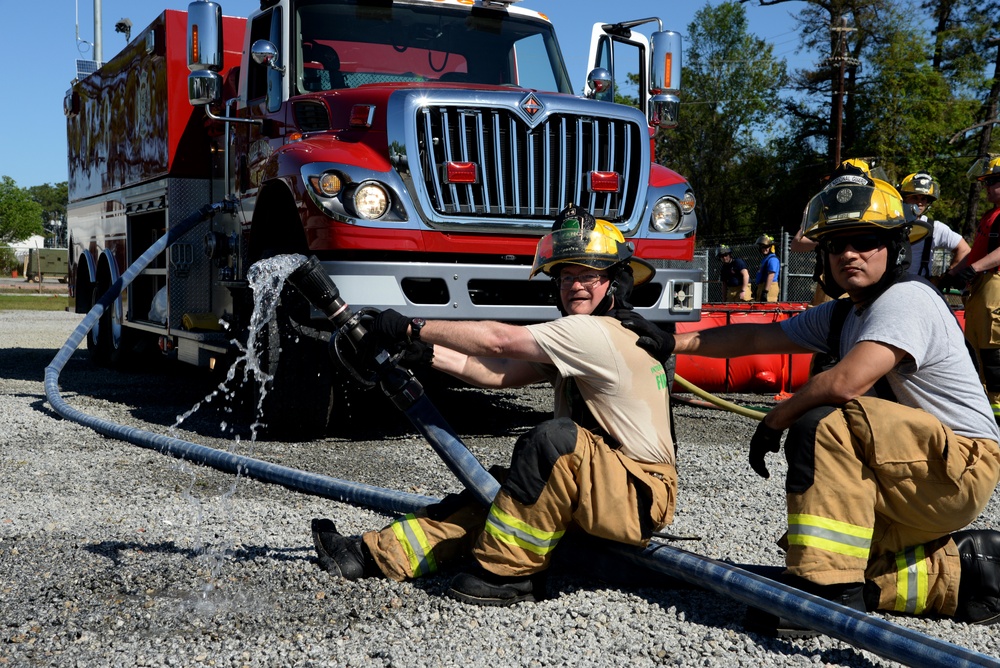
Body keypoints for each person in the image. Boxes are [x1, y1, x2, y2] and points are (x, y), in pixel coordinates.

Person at [628, 171, 1000, 632]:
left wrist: (773, 421)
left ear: (896, 248)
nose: (849, 254)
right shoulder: (847, 311)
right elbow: (757, 334)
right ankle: (969, 569)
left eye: (864, 241)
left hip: (957, 467)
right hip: (916, 472)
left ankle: (828, 597)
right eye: (836, 244)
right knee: (831, 553)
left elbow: (846, 382)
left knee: (825, 422)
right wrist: (672, 343)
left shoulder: (907, 298)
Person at [310, 204, 677, 606]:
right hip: (603, 486)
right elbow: (492, 370)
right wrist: (420, 352)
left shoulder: (595, 333)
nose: (575, 286)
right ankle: (366, 555)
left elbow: (498, 341)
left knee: (552, 443)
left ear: (614, 284)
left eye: (589, 275)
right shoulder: (589, 338)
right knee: (499, 496)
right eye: (566, 276)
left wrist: (410, 325)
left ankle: (508, 576)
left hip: (638, 496)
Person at [940, 157, 1000, 424]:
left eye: (991, 183)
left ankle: (997, 403)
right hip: (982, 286)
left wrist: (974, 270)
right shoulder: (991, 214)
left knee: (993, 345)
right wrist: (952, 274)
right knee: (976, 343)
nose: (986, 189)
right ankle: (983, 402)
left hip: (996, 283)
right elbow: (976, 252)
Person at [898, 171, 971, 280]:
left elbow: (964, 250)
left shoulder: (934, 228)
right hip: (890, 285)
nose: (920, 203)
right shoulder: (890, 223)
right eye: (915, 197)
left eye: (923, 198)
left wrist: (948, 276)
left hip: (919, 286)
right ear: (903, 198)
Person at [754, 234, 780, 302]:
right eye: (762, 247)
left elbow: (771, 275)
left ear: (771, 247)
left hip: (769, 287)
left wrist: (765, 291)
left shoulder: (772, 259)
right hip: (763, 286)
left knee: (768, 308)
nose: (764, 249)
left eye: (766, 247)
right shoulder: (765, 259)